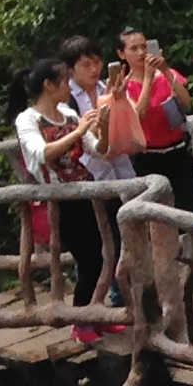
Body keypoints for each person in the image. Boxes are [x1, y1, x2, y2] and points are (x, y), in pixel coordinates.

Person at [11, 58, 109, 328]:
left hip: (84, 194)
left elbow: (98, 150)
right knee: (89, 258)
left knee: (103, 254)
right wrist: (78, 130)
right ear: (48, 85)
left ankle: (95, 314)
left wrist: (104, 127)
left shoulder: (69, 112)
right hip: (59, 201)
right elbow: (42, 153)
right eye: (65, 80)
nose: (69, 85)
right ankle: (82, 320)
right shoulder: (27, 119)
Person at [58, 35, 131, 316]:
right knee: (96, 245)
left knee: (122, 234)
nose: (93, 69)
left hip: (120, 172)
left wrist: (120, 98)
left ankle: (118, 294)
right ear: (70, 69)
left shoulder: (105, 88)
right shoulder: (68, 104)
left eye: (97, 62)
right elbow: (85, 142)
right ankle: (95, 305)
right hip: (90, 179)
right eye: (86, 64)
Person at [118, 28, 193, 212]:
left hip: (177, 151)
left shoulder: (165, 74)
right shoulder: (124, 86)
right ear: (122, 54)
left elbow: (187, 102)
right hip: (148, 157)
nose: (141, 53)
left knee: (188, 206)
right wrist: (147, 78)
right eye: (134, 49)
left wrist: (165, 71)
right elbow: (138, 115)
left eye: (144, 47)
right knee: (157, 214)